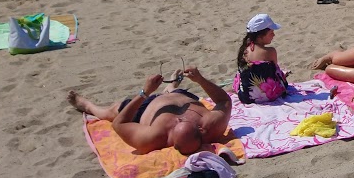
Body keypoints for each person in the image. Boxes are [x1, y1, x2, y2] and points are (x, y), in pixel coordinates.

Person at [67, 66, 233, 155]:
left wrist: (145, 93)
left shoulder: (153, 138)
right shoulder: (212, 125)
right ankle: (170, 88)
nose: (179, 118)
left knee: (110, 113)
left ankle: (87, 106)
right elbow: (224, 100)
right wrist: (200, 80)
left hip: (146, 108)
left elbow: (119, 124)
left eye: (179, 121)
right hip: (180, 96)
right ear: (200, 128)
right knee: (169, 94)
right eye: (183, 120)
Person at [233, 14, 291, 104]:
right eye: (271, 33)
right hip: (270, 96)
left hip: (246, 96)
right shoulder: (270, 51)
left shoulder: (245, 50)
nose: (274, 35)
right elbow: (276, 71)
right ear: (260, 36)